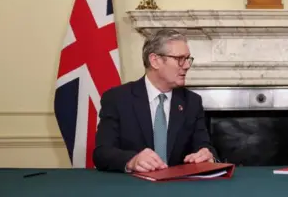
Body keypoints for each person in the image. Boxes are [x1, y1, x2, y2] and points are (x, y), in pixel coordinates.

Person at [93, 29, 218, 173]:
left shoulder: (192, 102)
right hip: (133, 188)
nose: (187, 65)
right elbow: (102, 153)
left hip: (178, 188)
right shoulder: (118, 99)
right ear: (155, 61)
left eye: (188, 58)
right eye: (180, 59)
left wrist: (208, 156)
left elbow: (204, 146)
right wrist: (131, 160)